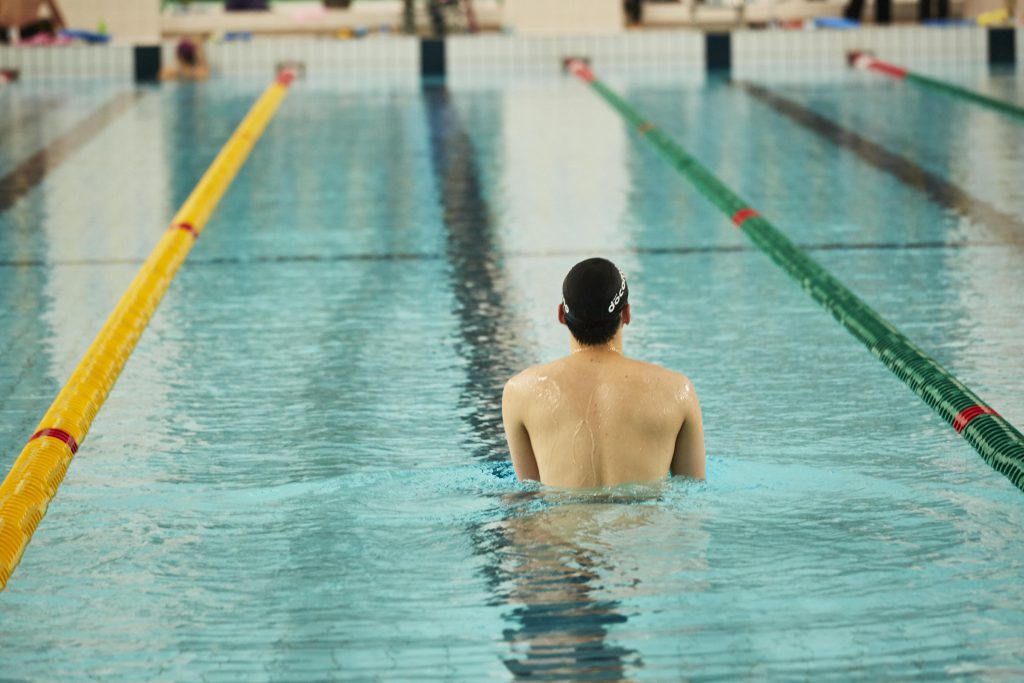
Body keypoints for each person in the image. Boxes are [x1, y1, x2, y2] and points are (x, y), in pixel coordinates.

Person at [502, 258, 705, 488]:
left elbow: (529, 494)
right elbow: (693, 496)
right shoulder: (678, 390)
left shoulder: (520, 392)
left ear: (561, 315)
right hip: (645, 524)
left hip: (560, 521)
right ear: (626, 313)